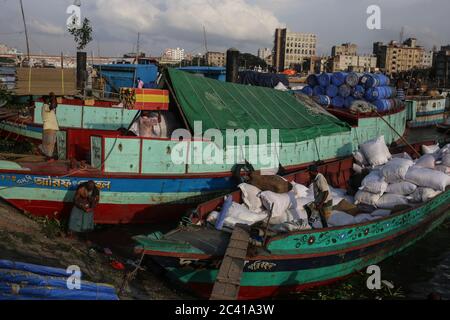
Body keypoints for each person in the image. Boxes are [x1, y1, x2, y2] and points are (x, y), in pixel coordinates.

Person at [39, 93, 59, 160]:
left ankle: (47, 156)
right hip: (49, 128)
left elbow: (55, 105)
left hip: (49, 128)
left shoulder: (46, 106)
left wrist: (54, 97)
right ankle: (48, 158)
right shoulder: (45, 106)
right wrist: (53, 97)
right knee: (50, 144)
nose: (49, 100)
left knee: (50, 145)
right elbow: (53, 105)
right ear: (46, 100)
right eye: (48, 99)